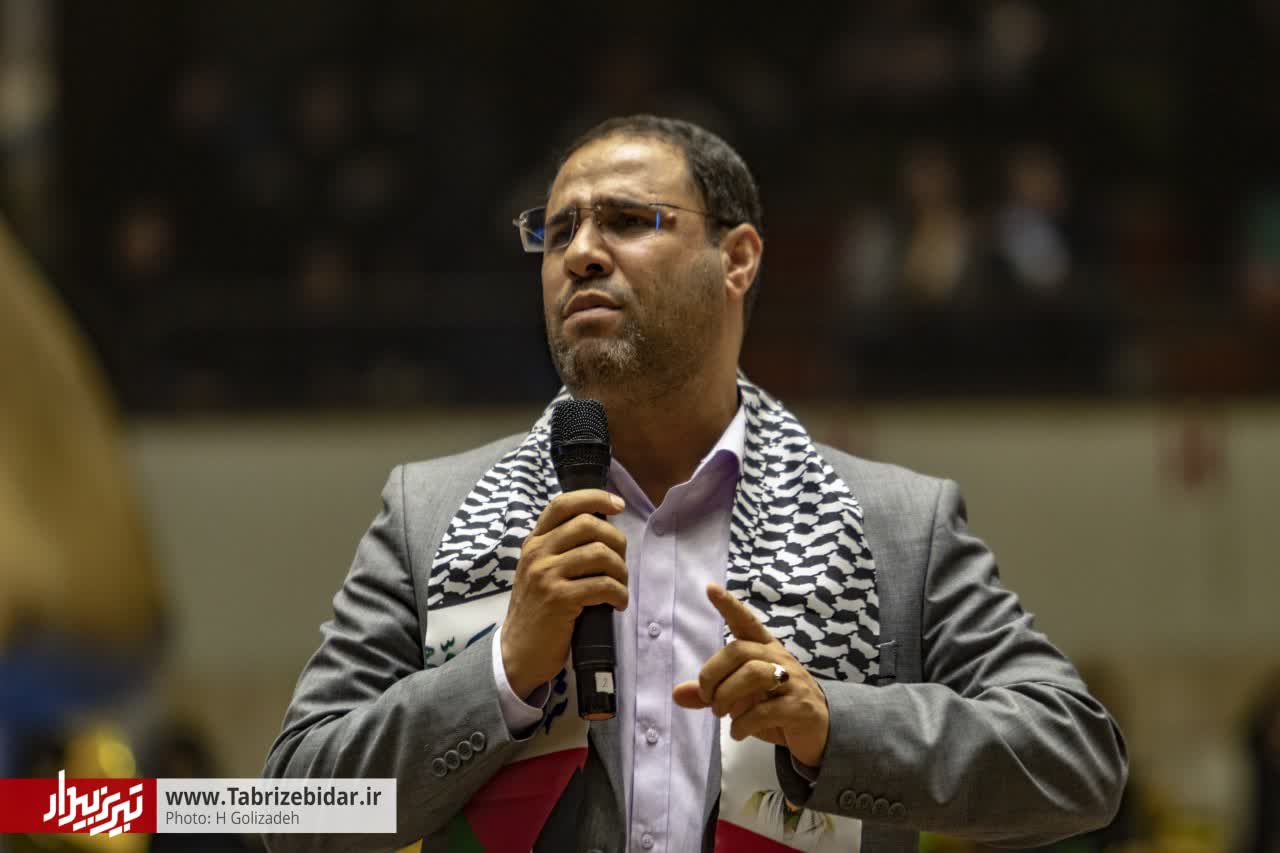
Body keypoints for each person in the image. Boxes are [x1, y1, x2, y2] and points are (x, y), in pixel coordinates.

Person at [263, 115, 1127, 853]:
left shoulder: (897, 524)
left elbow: (1077, 765)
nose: (581, 254)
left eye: (626, 220)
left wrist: (833, 726)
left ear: (737, 258)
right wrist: (498, 676)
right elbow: (290, 812)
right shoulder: (431, 513)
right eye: (556, 232)